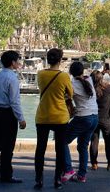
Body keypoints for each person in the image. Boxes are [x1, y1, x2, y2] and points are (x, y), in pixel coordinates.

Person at [34, 48, 74, 190]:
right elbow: (71, 93)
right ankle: (57, 180)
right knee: (60, 150)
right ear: (60, 60)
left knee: (40, 149)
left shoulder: (40, 74)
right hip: (60, 117)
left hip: (43, 116)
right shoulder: (64, 76)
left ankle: (38, 180)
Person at [0, 50, 28, 184]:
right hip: (8, 114)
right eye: (18, 60)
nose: (19, 63)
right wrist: (21, 118)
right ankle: (6, 175)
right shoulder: (12, 78)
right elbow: (14, 101)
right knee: (7, 147)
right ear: (12, 63)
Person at [61, 61, 99, 183]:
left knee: (62, 141)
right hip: (94, 117)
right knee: (83, 146)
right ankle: (81, 175)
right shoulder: (89, 80)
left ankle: (68, 170)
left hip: (83, 117)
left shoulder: (72, 84)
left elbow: (64, 97)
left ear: (71, 72)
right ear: (82, 71)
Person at [89, 66, 110, 171]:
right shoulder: (106, 88)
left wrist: (101, 73)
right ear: (101, 79)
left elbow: (92, 80)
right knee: (108, 142)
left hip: (93, 118)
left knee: (94, 142)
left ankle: (94, 164)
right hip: (106, 120)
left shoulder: (90, 89)